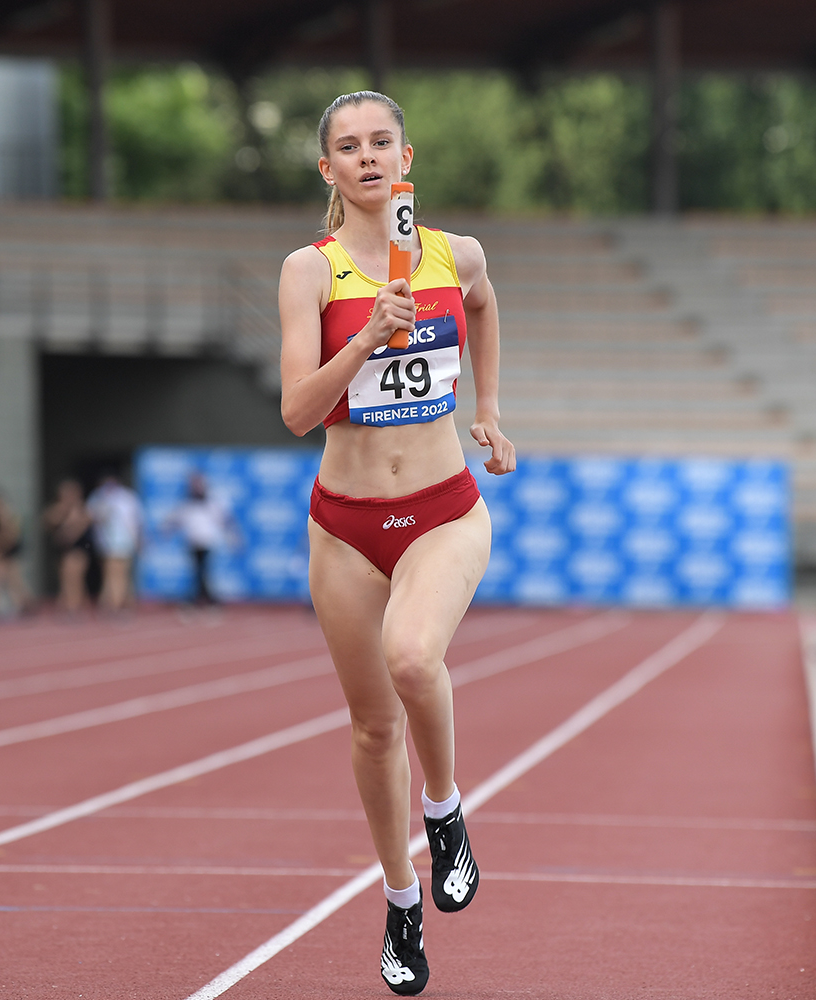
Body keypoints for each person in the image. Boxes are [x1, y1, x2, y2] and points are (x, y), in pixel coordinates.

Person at [277, 91, 516, 995]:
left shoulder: (457, 254)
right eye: (350, 147)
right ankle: (400, 899)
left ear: (406, 157)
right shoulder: (311, 271)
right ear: (329, 169)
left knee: (413, 658)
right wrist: (367, 337)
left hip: (442, 509)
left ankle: (445, 810)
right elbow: (298, 411)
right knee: (375, 727)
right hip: (344, 526)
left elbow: (484, 307)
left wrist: (489, 409)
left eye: (382, 142)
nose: (368, 157)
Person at [167, 472, 234, 607]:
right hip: (192, 543)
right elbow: (175, 520)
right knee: (197, 572)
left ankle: (204, 598)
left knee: (203, 572)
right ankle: (204, 598)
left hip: (207, 542)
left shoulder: (212, 502)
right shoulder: (186, 503)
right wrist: (166, 531)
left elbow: (224, 521)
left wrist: (232, 537)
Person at [87, 469, 143, 611]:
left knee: (119, 573)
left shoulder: (127, 497)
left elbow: (136, 521)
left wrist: (138, 540)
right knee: (111, 574)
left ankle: (115, 604)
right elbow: (90, 517)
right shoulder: (98, 496)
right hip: (105, 542)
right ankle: (115, 603)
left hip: (124, 541)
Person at [44, 478, 94, 614]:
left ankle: (73, 606)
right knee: (65, 577)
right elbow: (48, 520)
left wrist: (67, 529)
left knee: (74, 577)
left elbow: (77, 530)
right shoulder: (59, 508)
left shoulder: (81, 509)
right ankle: (71, 605)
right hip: (62, 550)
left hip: (77, 548)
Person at [0, 488, 30, 617]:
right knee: (8, 580)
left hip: (4, 551)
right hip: (2, 551)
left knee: (2, 579)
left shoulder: (4, 515)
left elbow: (10, 536)